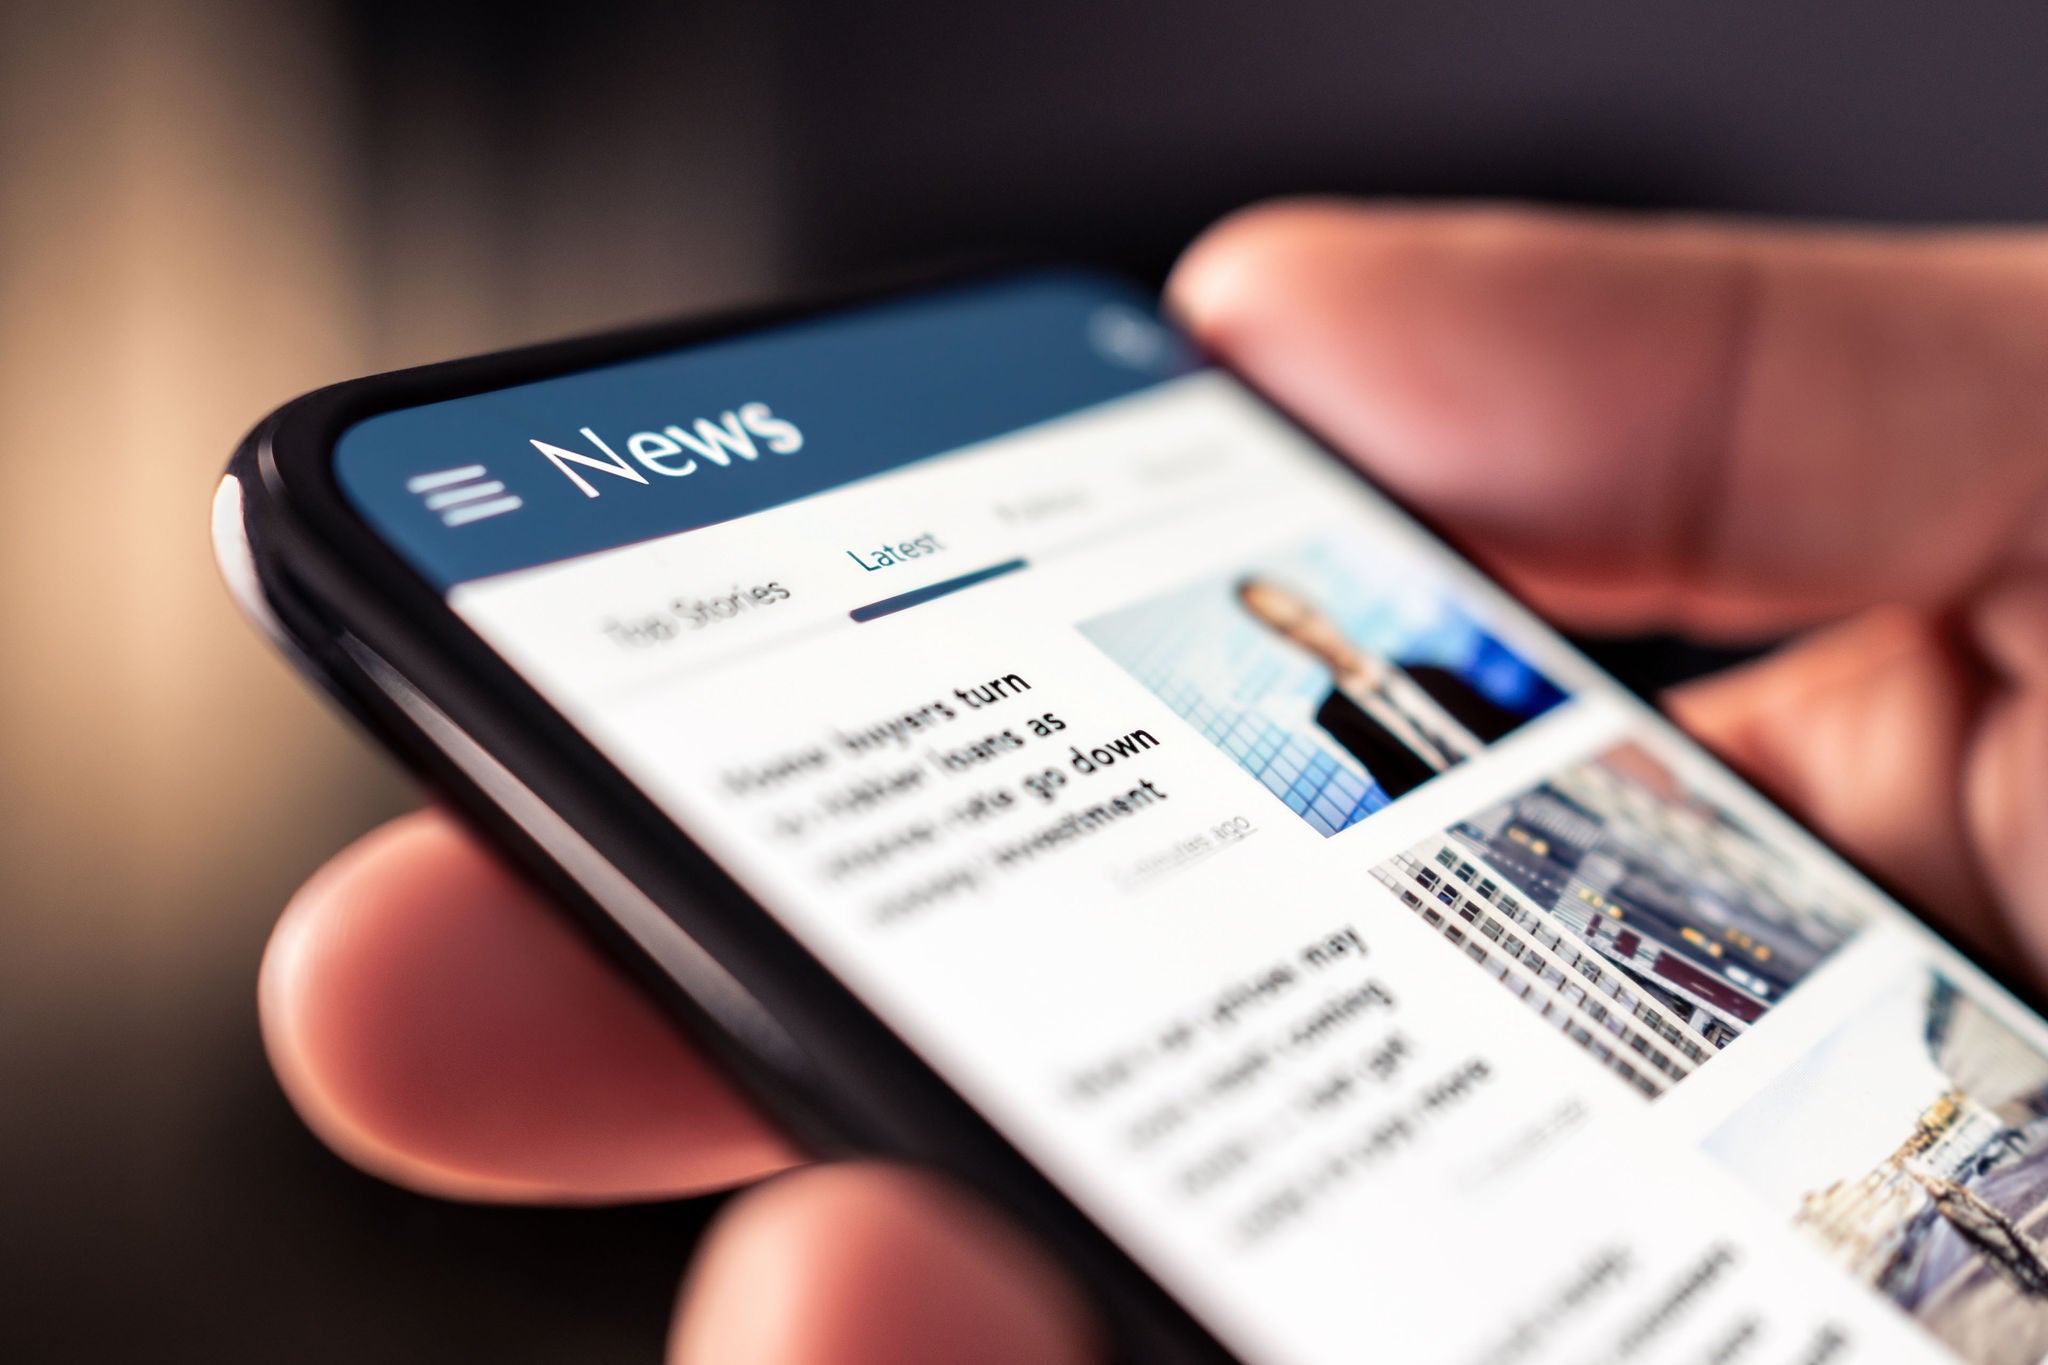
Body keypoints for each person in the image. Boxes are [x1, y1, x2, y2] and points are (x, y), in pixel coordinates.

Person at [258, 202, 2048, 1363]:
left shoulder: (1450, 688)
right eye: (1262, 603)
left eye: (1282, 595)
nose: (1286, 617)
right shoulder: (1356, 748)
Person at [1236, 575, 1524, 797]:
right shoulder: (1333, 718)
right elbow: (1399, 789)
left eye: (1306, 616)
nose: (1310, 635)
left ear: (1320, 609)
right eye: (1288, 629)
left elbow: (1510, 727)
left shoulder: (1429, 670)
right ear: (1283, 640)